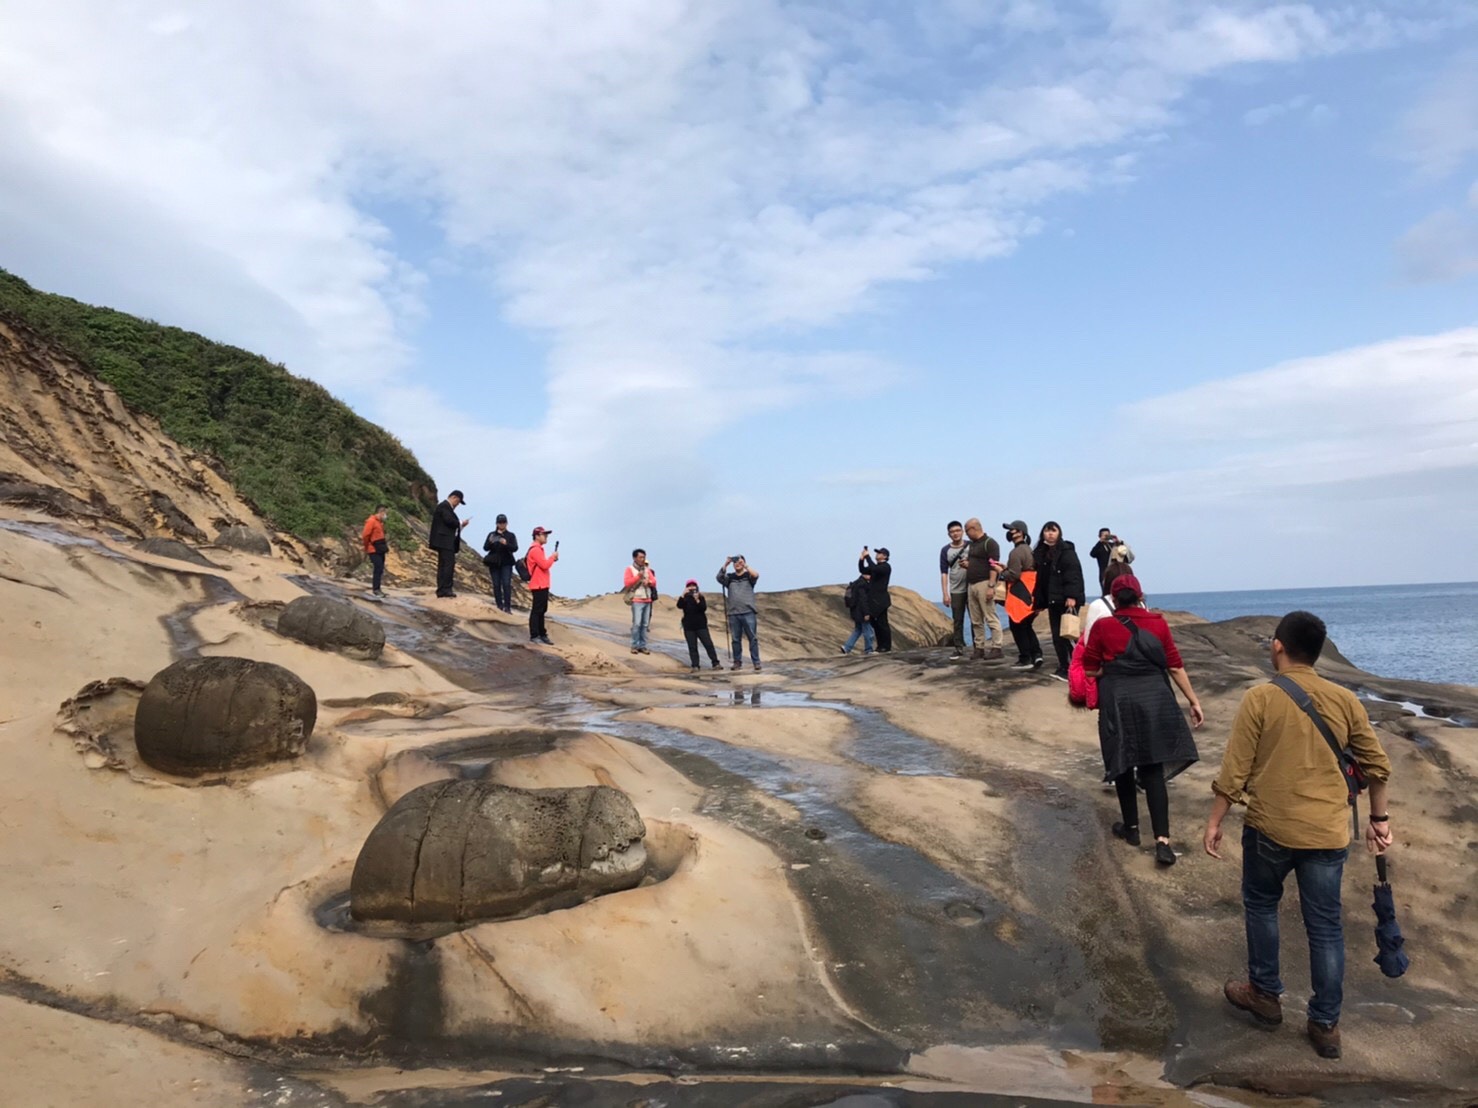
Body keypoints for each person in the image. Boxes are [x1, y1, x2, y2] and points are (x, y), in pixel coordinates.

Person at [1203, 610, 1393, 1061]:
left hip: (1270, 826)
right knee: (1325, 927)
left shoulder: (1260, 699)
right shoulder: (1345, 699)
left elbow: (1235, 770)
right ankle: (1326, 1025)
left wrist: (1215, 821)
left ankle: (1265, 995)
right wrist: (1379, 820)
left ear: (1278, 646)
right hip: (1327, 833)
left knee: (1262, 905)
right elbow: (1378, 766)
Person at [1082, 574, 1203, 866]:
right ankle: (1162, 841)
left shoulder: (1102, 626)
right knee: (1152, 767)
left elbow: (1090, 669)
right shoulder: (1158, 623)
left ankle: (1132, 829)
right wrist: (1193, 700)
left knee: (1123, 762)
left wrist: (1113, 670)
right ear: (1140, 596)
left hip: (1118, 699)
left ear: (1112, 599)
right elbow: (1174, 665)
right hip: (1154, 698)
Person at [1069, 561, 1134, 709]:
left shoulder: (1098, 605)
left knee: (1111, 717)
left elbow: (1089, 641)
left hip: (1108, 670)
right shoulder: (1141, 605)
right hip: (1136, 668)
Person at [1032, 521, 1086, 681]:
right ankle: (1064, 666)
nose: (1050, 534)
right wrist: (1039, 602)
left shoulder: (1066, 551)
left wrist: (1072, 597)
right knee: (1057, 636)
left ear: (1059, 533)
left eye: (1053, 531)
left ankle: (1077, 666)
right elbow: (1041, 580)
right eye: (1047, 531)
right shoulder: (1042, 553)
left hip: (1066, 599)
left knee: (1069, 634)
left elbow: (1073, 575)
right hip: (1053, 600)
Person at [1000, 520, 1042, 669]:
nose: (1012, 532)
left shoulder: (1016, 552)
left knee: (1017, 625)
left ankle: (1025, 658)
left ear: (1022, 533)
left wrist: (1002, 573)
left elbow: (1014, 575)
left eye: (1015, 530)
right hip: (1031, 592)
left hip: (1020, 593)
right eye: (1011, 530)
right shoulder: (1030, 550)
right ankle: (1037, 655)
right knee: (1027, 625)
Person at [963, 519, 1003, 661]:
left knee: (990, 616)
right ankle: (979, 648)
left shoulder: (990, 543)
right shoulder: (973, 545)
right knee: (976, 619)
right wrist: (968, 564)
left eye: (967, 531)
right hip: (971, 584)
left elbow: (994, 565)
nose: (966, 534)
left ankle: (996, 647)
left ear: (973, 529)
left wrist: (991, 586)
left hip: (984, 583)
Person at [716, 555, 761, 672]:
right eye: (735, 562)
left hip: (748, 612)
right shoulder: (730, 577)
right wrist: (726, 564)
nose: (737, 564)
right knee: (736, 639)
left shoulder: (748, 576)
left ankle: (756, 662)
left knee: (753, 638)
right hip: (734, 613)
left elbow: (756, 575)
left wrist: (745, 565)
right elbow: (719, 578)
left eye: (739, 561)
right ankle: (737, 662)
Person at [428, 490, 470, 598]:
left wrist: (461, 525)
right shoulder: (444, 506)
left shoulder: (445, 507)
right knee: (447, 565)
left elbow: (450, 523)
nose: (457, 505)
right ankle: (446, 589)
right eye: (458, 502)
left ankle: (442, 589)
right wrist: (460, 523)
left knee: (443, 565)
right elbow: (448, 521)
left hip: (443, 541)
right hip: (445, 541)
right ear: (454, 498)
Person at [939, 521, 969, 659]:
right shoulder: (945, 550)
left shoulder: (971, 545)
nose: (955, 533)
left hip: (972, 587)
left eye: (958, 530)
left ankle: (978, 647)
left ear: (962, 531)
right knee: (957, 619)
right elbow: (944, 572)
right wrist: (945, 593)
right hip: (956, 589)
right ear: (948, 534)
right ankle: (958, 647)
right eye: (952, 531)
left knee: (976, 619)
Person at [675, 579, 722, 671]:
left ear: (697, 587)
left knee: (708, 644)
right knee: (692, 646)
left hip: (701, 625)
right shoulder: (685, 598)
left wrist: (697, 600)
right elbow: (679, 605)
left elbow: (703, 608)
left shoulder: (700, 597)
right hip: (689, 626)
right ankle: (695, 665)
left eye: (693, 585)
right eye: (689, 586)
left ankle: (715, 663)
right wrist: (682, 595)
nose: (692, 587)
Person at [525, 526, 557, 644]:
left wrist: (552, 559)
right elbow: (544, 565)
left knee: (541, 610)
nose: (546, 536)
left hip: (542, 584)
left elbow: (543, 565)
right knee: (537, 610)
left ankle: (541, 633)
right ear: (537, 536)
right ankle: (535, 635)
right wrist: (552, 557)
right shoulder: (535, 550)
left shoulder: (538, 549)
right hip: (538, 584)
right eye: (544, 534)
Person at [481, 514, 519, 613]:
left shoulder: (511, 535)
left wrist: (506, 543)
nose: (501, 524)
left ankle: (507, 607)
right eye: (500, 523)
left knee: (506, 584)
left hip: (506, 563)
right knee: (496, 584)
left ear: (506, 523)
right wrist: (490, 542)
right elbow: (485, 548)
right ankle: (499, 606)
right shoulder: (492, 534)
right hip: (494, 563)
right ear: (496, 524)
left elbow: (515, 548)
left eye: (503, 522)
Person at [623, 549, 658, 654]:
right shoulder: (629, 569)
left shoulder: (647, 569)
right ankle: (634, 645)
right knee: (637, 624)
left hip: (647, 599)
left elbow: (654, 582)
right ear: (635, 558)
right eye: (640, 557)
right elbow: (627, 583)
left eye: (644, 557)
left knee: (645, 624)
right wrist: (638, 576)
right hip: (637, 599)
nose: (643, 559)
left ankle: (642, 646)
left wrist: (649, 582)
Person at [859, 547, 893, 652]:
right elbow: (863, 570)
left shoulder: (886, 567)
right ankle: (880, 645)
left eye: (879, 553)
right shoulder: (876, 566)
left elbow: (874, 569)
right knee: (875, 623)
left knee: (883, 623)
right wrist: (861, 559)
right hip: (873, 600)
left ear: (885, 556)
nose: (877, 554)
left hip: (881, 601)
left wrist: (868, 556)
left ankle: (886, 646)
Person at [841, 566, 875, 655]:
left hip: (855, 611)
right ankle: (869, 649)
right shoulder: (863, 585)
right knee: (868, 631)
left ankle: (847, 647)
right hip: (862, 612)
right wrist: (866, 613)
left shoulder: (855, 583)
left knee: (858, 630)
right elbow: (863, 600)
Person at [361, 505, 389, 597]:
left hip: (380, 548)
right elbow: (365, 535)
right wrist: (367, 547)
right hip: (373, 548)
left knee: (380, 569)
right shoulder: (371, 521)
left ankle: (378, 588)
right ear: (381, 512)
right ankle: (376, 589)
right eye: (385, 513)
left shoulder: (379, 523)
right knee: (378, 568)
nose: (386, 515)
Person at [1089, 528, 1118, 592]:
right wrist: (1100, 542)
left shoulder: (1112, 546)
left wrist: (1117, 541)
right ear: (1100, 536)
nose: (1106, 537)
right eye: (1105, 536)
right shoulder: (1099, 547)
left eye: (1108, 535)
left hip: (1114, 573)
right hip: (1104, 574)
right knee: (1106, 593)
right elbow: (1092, 554)